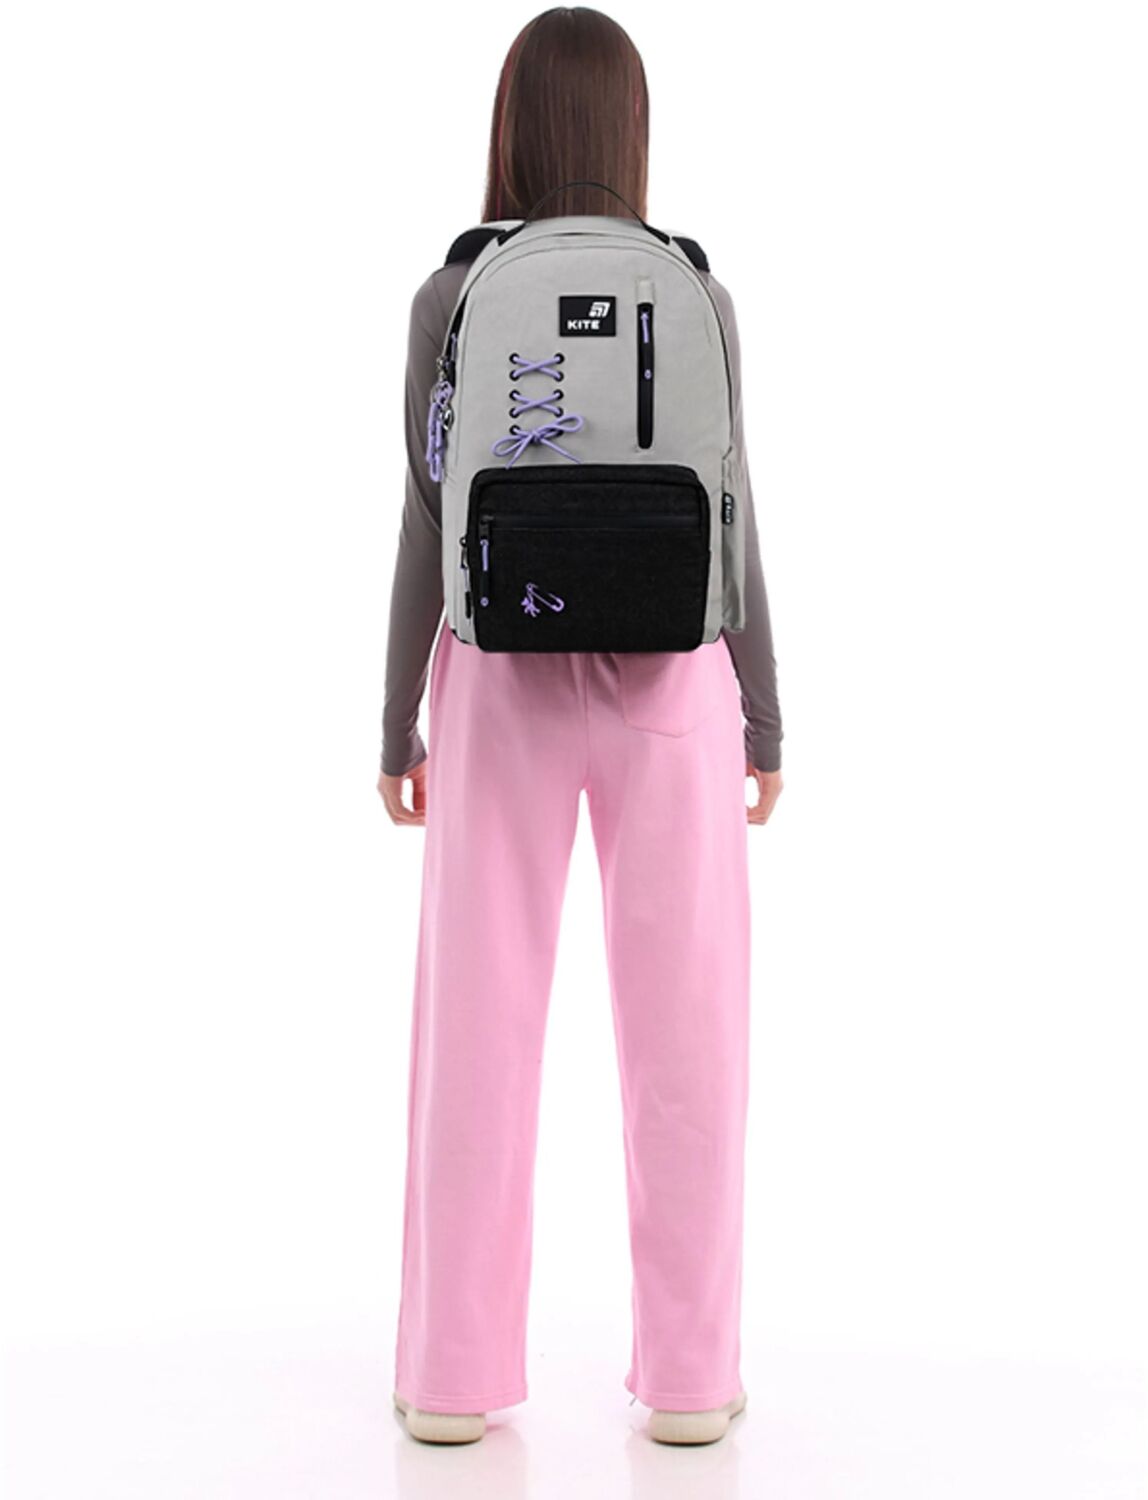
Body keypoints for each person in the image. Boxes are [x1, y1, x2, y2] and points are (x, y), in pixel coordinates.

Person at [378, 6, 783, 1447]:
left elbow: (425, 523)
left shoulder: (451, 294)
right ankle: (690, 1383)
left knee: (477, 1030)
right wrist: (767, 720)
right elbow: (735, 517)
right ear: (628, 130)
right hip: (677, 680)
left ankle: (449, 1380)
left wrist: (393, 723)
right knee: (688, 1037)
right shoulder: (697, 291)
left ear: (511, 127)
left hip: (498, 680)